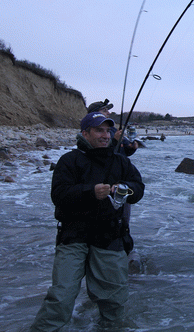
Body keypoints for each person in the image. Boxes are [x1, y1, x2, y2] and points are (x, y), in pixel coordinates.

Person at [30, 112, 145, 331]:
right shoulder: (69, 160)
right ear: (85, 133)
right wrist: (90, 192)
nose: (105, 135)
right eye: (98, 130)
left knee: (114, 302)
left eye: (107, 131)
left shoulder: (120, 161)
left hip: (110, 237)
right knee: (60, 298)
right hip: (73, 237)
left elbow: (138, 188)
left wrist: (124, 190)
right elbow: (59, 194)